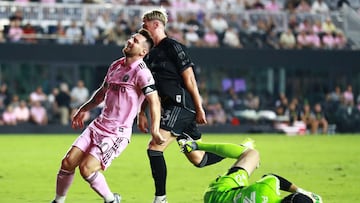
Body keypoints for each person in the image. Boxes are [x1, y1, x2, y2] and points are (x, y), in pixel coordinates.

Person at [50, 28, 164, 203]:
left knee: (86, 169)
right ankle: (58, 201)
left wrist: (155, 129)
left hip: (116, 133)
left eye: (135, 41)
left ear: (143, 51)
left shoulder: (142, 72)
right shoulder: (116, 65)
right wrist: (83, 109)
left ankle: (111, 200)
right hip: (97, 125)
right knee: (67, 163)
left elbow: (154, 101)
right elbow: (101, 93)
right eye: (131, 38)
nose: (130, 41)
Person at [138, 8, 225, 203]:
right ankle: (237, 152)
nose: (142, 28)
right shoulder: (149, 55)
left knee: (154, 147)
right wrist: (141, 113)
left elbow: (190, 79)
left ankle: (160, 199)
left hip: (181, 105)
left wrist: (199, 107)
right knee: (198, 159)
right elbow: (150, 88)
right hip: (172, 108)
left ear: (156, 24)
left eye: (145, 24)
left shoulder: (173, 46)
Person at [178, 138, 323, 203]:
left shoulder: (268, 188)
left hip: (218, 193)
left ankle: (197, 145)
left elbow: (272, 176)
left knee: (252, 154)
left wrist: (301, 191)